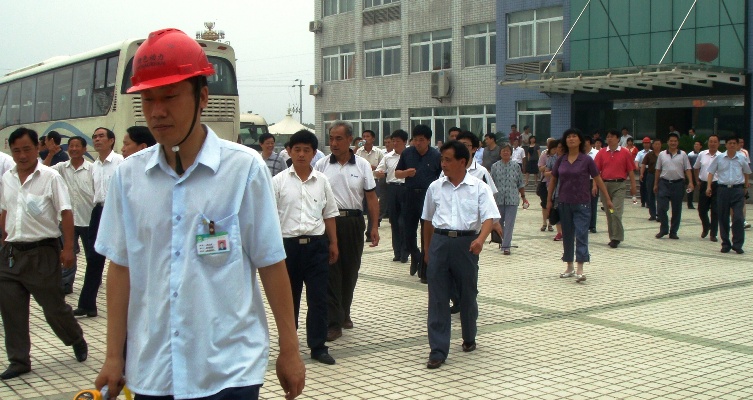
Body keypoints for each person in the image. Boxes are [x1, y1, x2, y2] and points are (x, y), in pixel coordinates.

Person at [93, 28, 305, 399]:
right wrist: (113, 356)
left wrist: (290, 349)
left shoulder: (243, 170)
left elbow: (270, 262)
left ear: (202, 97)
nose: (157, 112)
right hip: (153, 370)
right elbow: (121, 268)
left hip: (229, 371)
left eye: (170, 97)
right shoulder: (128, 178)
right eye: (148, 99)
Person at [0, 127, 88, 380]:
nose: (22, 155)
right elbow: (5, 210)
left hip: (43, 253)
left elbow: (66, 212)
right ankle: (19, 360)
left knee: (53, 308)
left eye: (27, 149)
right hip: (11, 254)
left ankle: (75, 338)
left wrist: (68, 248)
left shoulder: (50, 177)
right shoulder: (7, 177)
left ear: (36, 148)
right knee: (11, 309)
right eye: (16, 150)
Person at [421, 141, 499, 369]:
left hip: (467, 244)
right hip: (440, 242)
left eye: (448, 159)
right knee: (437, 297)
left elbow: (489, 218)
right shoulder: (435, 187)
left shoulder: (478, 187)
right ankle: (437, 349)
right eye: (442, 159)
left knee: (467, 293)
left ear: (462, 162)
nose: (443, 163)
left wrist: (480, 240)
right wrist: (427, 250)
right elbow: (427, 221)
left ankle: (469, 335)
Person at [273, 129, 339, 365]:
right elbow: (270, 218)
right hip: (287, 248)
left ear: (314, 153)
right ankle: (288, 344)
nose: (301, 154)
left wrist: (333, 243)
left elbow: (329, 214)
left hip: (316, 246)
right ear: (289, 151)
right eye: (297, 149)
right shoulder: (278, 182)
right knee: (288, 299)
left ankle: (318, 346)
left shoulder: (322, 181)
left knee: (318, 298)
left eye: (306, 150)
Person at [315, 121, 380, 341]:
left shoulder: (362, 166)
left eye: (338, 138)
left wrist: (374, 226)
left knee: (350, 270)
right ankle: (333, 322)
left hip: (353, 223)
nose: (333, 143)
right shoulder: (322, 165)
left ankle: (345, 312)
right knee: (331, 271)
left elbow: (371, 198)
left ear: (351, 140)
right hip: (328, 222)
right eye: (331, 138)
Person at [548, 128, 612, 283]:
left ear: (580, 140)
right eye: (568, 137)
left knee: (582, 234)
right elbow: (554, 180)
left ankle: (580, 267)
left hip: (582, 203)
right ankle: (569, 266)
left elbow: (597, 179)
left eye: (574, 136)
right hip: (564, 203)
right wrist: (549, 199)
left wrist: (607, 199)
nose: (571, 139)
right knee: (567, 235)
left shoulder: (587, 160)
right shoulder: (561, 160)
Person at [74, 127, 124, 318]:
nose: (97, 139)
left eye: (101, 136)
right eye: (94, 137)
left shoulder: (120, 162)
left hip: (117, 211)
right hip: (99, 211)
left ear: (111, 141)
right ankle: (87, 304)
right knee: (94, 258)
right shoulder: (94, 166)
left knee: (120, 257)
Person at [395, 124, 441, 278]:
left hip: (428, 198)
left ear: (428, 140)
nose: (418, 143)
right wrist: (406, 173)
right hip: (409, 196)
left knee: (426, 233)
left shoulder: (436, 156)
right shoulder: (407, 153)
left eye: (421, 140)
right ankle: (415, 254)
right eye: (415, 140)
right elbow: (397, 173)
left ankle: (425, 270)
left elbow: (442, 178)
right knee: (407, 232)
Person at [52, 137, 95, 295]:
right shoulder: (62, 168)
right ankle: (66, 283)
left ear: (84, 149)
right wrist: (50, 154)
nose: (74, 149)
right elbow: (43, 170)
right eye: (71, 146)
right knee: (68, 252)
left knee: (92, 255)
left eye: (77, 146)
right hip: (68, 220)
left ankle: (91, 285)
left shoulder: (92, 168)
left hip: (88, 218)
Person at [706, 137, 751, 254]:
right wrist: (709, 186)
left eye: (734, 143)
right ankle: (726, 244)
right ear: (725, 145)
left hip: (737, 190)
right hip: (723, 190)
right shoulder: (719, 158)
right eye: (729, 143)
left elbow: (747, 172)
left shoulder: (742, 157)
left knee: (738, 218)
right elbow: (711, 172)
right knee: (723, 217)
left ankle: (738, 244)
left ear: (737, 145)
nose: (732, 145)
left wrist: (745, 186)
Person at [594, 129, 637, 248]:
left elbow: (630, 170)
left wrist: (633, 185)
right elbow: (596, 172)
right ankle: (612, 236)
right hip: (605, 186)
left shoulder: (625, 153)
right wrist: (594, 185)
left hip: (619, 185)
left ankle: (617, 237)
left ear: (618, 139)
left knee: (616, 211)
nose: (609, 138)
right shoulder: (602, 152)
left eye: (612, 136)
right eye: (608, 136)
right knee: (609, 213)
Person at [375, 129, 408, 263]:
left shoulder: (409, 155)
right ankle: (397, 252)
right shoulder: (388, 156)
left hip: (406, 189)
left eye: (397, 141)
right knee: (394, 221)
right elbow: (378, 170)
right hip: (392, 189)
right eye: (393, 141)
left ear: (404, 142)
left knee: (404, 222)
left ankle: (405, 251)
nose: (394, 144)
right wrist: (380, 173)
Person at [654, 133, 693, 239]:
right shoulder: (662, 154)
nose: (673, 143)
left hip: (678, 184)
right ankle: (664, 229)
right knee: (661, 208)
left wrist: (691, 182)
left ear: (678, 142)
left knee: (677, 209)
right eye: (671, 141)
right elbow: (658, 170)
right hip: (664, 183)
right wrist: (655, 184)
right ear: (667, 142)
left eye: (675, 141)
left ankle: (673, 231)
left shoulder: (683, 154)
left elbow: (687, 169)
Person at [490, 145, 527, 255]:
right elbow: (491, 184)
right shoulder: (495, 166)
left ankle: (506, 246)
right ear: (500, 153)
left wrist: (524, 197)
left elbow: (520, 182)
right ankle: (502, 241)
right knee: (499, 223)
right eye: (503, 151)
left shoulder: (516, 166)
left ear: (511, 153)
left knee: (510, 223)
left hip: (512, 199)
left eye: (507, 151)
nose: (505, 153)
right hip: (498, 199)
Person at [356, 130, 384, 243]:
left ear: (373, 139)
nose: (365, 138)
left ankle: (370, 232)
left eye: (368, 136)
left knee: (372, 208)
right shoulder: (358, 151)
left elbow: (382, 167)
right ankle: (359, 230)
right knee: (360, 208)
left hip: (374, 182)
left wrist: (372, 167)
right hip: (360, 183)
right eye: (363, 136)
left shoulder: (378, 152)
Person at [694, 135, 720, 241]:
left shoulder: (721, 156)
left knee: (715, 210)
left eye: (715, 142)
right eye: (711, 141)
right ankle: (706, 226)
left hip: (717, 185)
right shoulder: (702, 154)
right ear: (708, 143)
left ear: (718, 144)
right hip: (704, 184)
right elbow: (696, 168)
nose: (712, 144)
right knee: (701, 209)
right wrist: (697, 181)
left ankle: (713, 233)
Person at [545, 141, 566, 241]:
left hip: (567, 190)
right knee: (557, 211)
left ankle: (567, 232)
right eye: (558, 147)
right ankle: (559, 233)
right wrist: (554, 173)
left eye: (562, 147)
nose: (560, 149)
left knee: (566, 213)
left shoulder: (568, 159)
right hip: (555, 190)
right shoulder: (552, 159)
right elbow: (546, 173)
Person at [537, 139, 556, 232]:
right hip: (545, 182)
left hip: (556, 183)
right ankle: (544, 222)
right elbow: (540, 168)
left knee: (553, 204)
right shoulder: (544, 154)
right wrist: (548, 165)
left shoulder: (559, 155)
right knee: (544, 203)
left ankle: (550, 223)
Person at [641, 139, 662, 222]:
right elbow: (643, 164)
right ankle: (652, 214)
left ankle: (660, 214)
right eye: (655, 144)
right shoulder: (649, 155)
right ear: (652, 145)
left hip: (661, 176)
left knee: (660, 195)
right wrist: (642, 174)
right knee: (650, 194)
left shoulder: (664, 154)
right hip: (651, 175)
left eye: (659, 144)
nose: (657, 146)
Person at [584, 136, 599, 233]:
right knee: (583, 204)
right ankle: (584, 223)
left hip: (593, 180)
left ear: (588, 142)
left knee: (593, 203)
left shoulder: (596, 153)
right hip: (582, 181)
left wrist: (595, 185)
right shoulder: (580, 154)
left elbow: (597, 170)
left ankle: (592, 225)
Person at [635, 137, 652, 207]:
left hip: (650, 170)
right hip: (642, 170)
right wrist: (636, 166)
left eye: (647, 143)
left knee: (649, 186)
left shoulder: (652, 153)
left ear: (650, 144)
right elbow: (636, 161)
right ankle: (643, 201)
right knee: (643, 186)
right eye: (645, 143)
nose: (646, 145)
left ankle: (649, 201)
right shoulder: (640, 153)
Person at [686, 140, 702, 210]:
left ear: (700, 146)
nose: (696, 146)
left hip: (700, 173)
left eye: (697, 145)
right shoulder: (690, 154)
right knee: (690, 188)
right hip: (691, 173)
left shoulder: (702, 154)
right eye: (695, 144)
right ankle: (689, 203)